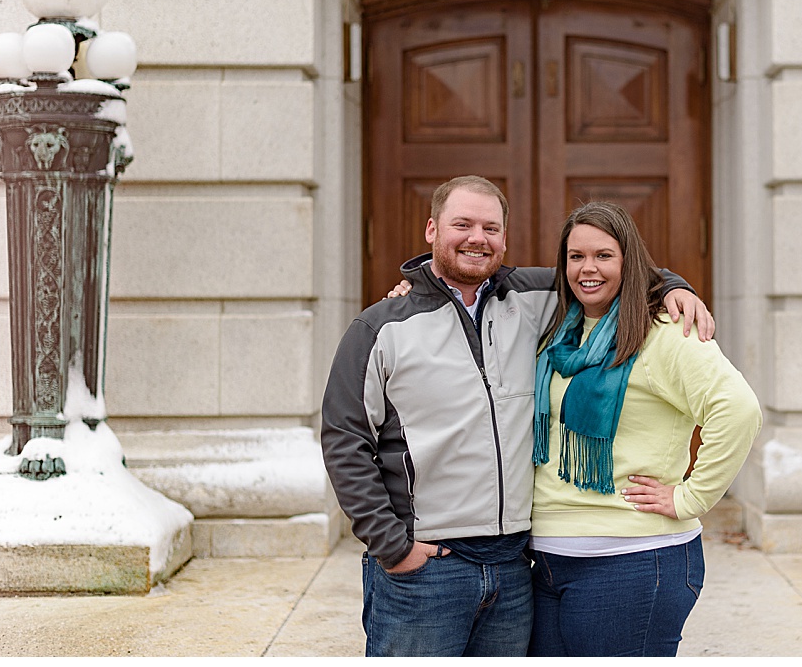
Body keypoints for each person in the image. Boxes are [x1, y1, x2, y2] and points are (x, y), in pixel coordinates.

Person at [320, 175, 713, 658]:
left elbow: (607, 273)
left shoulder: (538, 297)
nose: (477, 238)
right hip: (427, 570)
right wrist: (392, 546)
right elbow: (344, 439)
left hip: (513, 569)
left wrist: (673, 286)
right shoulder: (381, 326)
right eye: (462, 224)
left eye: (490, 228)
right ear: (431, 230)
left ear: (505, 238)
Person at [528, 201, 762, 657]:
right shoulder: (557, 333)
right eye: (576, 256)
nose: (587, 268)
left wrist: (690, 498)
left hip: (634, 561)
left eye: (604, 255)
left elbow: (738, 410)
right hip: (548, 563)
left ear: (629, 261)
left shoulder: (664, 332)